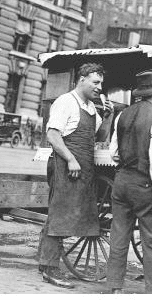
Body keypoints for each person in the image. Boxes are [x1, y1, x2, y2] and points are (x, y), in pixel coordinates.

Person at [38, 63, 114, 288]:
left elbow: (98, 135)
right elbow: (52, 135)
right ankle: (50, 269)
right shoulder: (66, 102)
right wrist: (70, 158)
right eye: (95, 82)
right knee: (60, 214)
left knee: (63, 213)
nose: (99, 87)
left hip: (82, 169)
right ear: (82, 79)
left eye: (101, 83)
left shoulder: (91, 107)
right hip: (64, 166)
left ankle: (45, 261)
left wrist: (107, 117)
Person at [106, 69, 152, 294]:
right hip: (143, 186)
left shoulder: (122, 115)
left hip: (121, 181)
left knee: (119, 235)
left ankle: (114, 287)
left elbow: (113, 153)